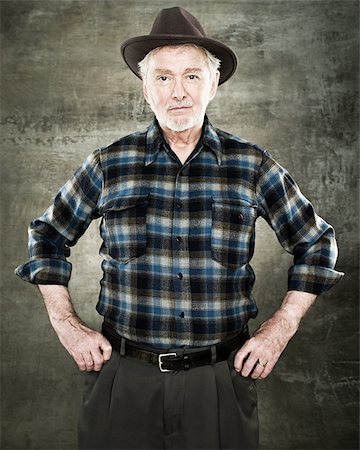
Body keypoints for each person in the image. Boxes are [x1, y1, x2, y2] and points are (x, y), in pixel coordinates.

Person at [15, 6, 344, 450]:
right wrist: (67, 325)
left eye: (192, 76)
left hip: (221, 381)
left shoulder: (251, 165)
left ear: (213, 84)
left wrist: (278, 329)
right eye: (164, 77)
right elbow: (46, 238)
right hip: (123, 378)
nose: (178, 92)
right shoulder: (109, 164)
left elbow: (317, 244)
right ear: (146, 90)